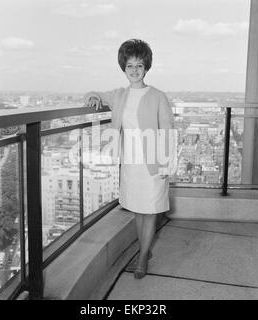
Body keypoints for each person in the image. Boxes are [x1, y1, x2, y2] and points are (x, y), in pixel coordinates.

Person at [84, 39, 175, 279]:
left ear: (147, 67)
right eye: (130, 66)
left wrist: (166, 164)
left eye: (139, 65)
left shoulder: (158, 96)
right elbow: (95, 94)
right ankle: (145, 248)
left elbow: (167, 130)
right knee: (137, 209)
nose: (134, 70)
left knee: (151, 209)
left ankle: (143, 255)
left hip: (153, 163)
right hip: (130, 163)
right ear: (123, 68)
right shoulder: (120, 95)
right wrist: (93, 97)